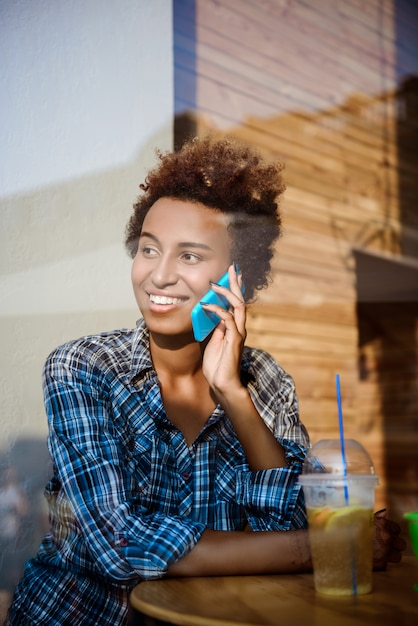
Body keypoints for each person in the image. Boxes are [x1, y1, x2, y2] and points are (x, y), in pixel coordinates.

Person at [6, 136, 405, 625]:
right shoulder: (82, 368)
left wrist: (234, 396)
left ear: (237, 277)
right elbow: (117, 544)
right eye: (149, 249)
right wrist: (323, 545)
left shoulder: (266, 381)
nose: (160, 275)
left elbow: (297, 523)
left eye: (190, 256)